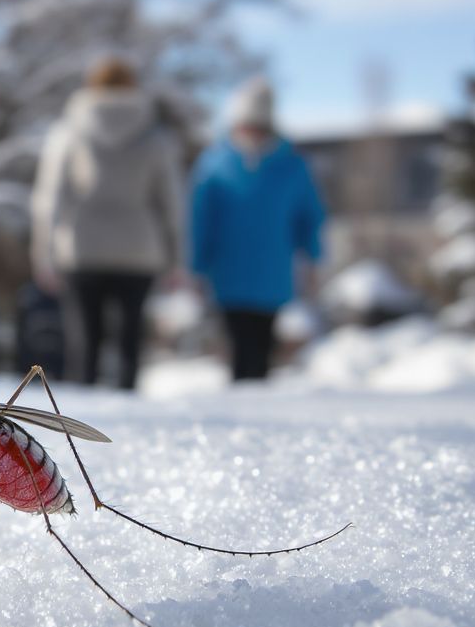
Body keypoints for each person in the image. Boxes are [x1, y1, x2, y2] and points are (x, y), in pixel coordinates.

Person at [31, 55, 184, 390]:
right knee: (131, 337)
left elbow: (49, 198)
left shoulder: (68, 132)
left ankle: (83, 413)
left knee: (85, 338)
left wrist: (44, 254)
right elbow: (171, 202)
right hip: (139, 248)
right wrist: (177, 257)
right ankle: (129, 404)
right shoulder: (156, 136)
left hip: (82, 246)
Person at [190, 77, 324, 381]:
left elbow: (310, 215)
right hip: (228, 272)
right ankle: (239, 402)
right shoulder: (215, 163)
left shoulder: (292, 165)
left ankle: (257, 402)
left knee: (262, 347)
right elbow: (200, 218)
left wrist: (313, 258)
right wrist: (196, 266)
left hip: (271, 273)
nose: (252, 133)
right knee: (238, 344)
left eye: (258, 126)